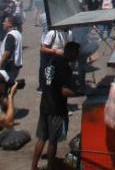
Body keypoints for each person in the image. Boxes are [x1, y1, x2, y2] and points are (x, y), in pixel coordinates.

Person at [31, 42, 79, 170]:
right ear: (71, 52)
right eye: (76, 53)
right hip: (56, 108)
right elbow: (64, 91)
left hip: (45, 105)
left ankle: (33, 167)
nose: (77, 56)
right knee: (52, 141)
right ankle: (50, 167)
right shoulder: (65, 67)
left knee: (41, 138)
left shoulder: (52, 61)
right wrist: (78, 91)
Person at [0, 15, 24, 84]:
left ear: (10, 24)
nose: (3, 23)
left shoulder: (11, 36)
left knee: (5, 87)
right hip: (15, 66)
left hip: (9, 67)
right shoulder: (17, 33)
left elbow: (7, 52)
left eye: (5, 22)